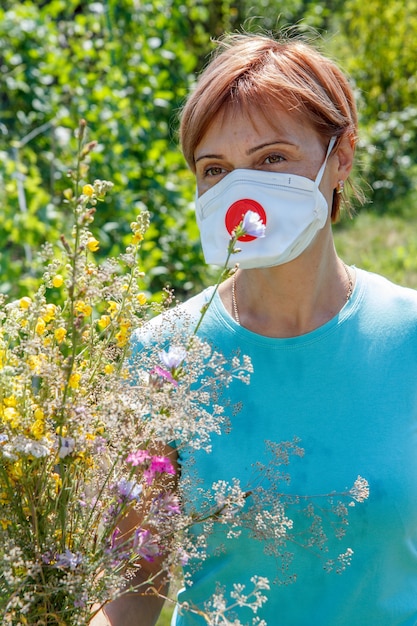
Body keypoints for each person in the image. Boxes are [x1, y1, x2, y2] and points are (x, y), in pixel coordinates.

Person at [94, 31, 417, 626]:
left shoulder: (411, 337)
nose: (242, 191)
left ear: (340, 155)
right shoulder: (165, 353)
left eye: (272, 158)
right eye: (215, 168)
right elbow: (137, 579)